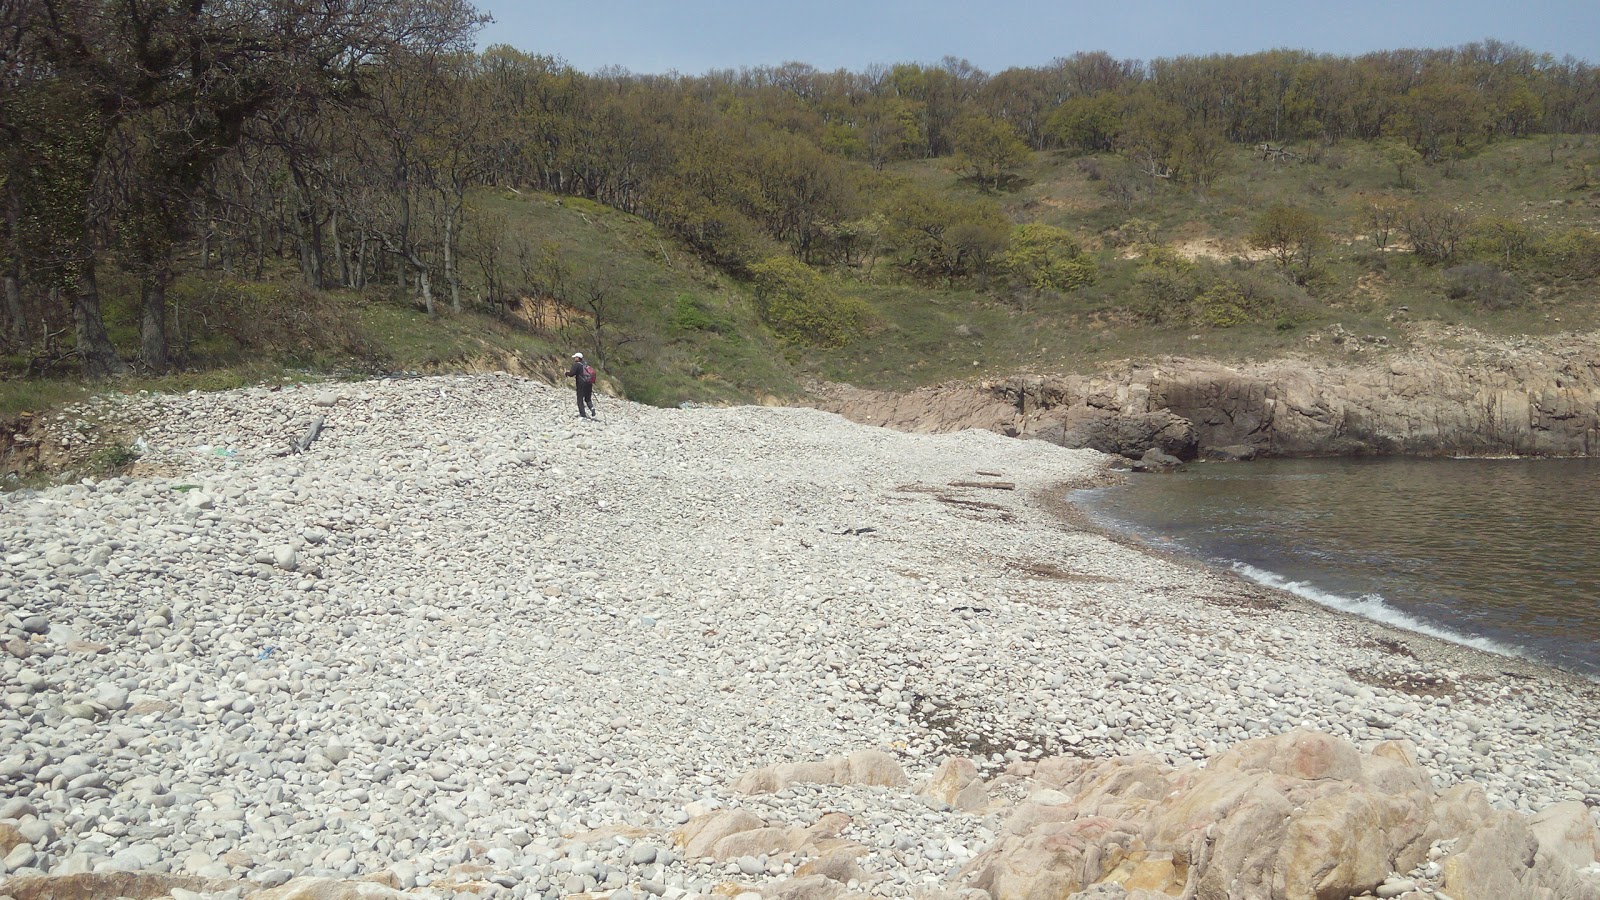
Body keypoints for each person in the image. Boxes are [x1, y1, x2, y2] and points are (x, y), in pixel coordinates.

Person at [565, 352, 598, 419]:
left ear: (578, 358)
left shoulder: (577, 365)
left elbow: (572, 374)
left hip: (581, 385)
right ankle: (592, 408)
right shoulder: (585, 365)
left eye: (575, 357)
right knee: (588, 399)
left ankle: (583, 415)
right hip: (589, 384)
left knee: (580, 399)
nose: (574, 358)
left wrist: (566, 373)